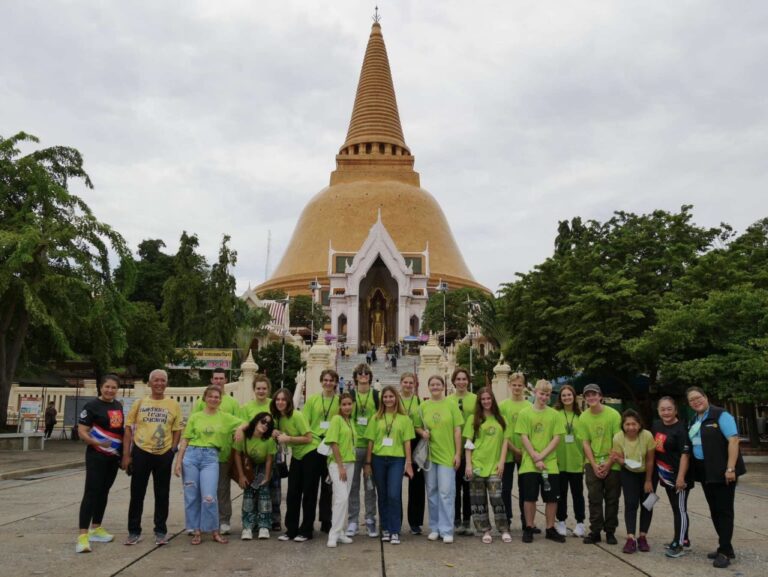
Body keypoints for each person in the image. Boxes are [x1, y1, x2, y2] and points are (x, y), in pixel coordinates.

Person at [122, 369, 184, 546]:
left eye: (162, 380)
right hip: (141, 451)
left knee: (162, 494)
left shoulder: (173, 405)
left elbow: (177, 429)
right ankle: (134, 531)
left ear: (166, 383)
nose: (159, 383)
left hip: (164, 453)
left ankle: (160, 531)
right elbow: (128, 429)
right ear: (149, 384)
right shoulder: (140, 403)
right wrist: (127, 455)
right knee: (137, 493)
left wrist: (172, 449)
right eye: (155, 380)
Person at [686, 386, 746, 569]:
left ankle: (724, 552)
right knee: (714, 510)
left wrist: (730, 468)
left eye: (699, 397)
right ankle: (725, 546)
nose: (696, 401)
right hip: (705, 472)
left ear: (706, 397)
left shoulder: (721, 415)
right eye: (692, 400)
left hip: (723, 471)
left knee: (724, 511)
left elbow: (734, 440)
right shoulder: (694, 419)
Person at [175, 386, 242, 545]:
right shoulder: (195, 417)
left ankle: (214, 531)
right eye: (211, 396)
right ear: (205, 398)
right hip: (191, 456)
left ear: (220, 400)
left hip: (210, 458)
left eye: (217, 397)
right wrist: (178, 462)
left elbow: (246, 423)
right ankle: (196, 531)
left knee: (210, 496)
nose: (214, 399)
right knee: (191, 496)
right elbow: (185, 440)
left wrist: (240, 429)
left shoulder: (225, 417)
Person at [75, 375, 124, 553]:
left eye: (113, 388)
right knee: (91, 492)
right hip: (96, 456)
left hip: (113, 457)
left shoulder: (118, 405)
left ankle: (96, 528)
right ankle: (82, 536)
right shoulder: (91, 406)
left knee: (104, 491)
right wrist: (97, 443)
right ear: (101, 388)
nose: (110, 390)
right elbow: (82, 431)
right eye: (107, 387)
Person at [190, 368, 241, 535]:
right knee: (203, 490)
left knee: (222, 489)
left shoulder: (232, 403)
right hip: (201, 452)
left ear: (225, 380)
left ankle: (224, 520)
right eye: (216, 378)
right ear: (212, 380)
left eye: (221, 378)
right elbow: (194, 425)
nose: (218, 381)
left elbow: (239, 425)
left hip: (223, 452)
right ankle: (202, 522)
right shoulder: (201, 401)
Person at [415, 374, 464, 544]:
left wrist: (458, 454)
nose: (435, 387)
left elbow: (458, 431)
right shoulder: (423, 406)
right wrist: (422, 433)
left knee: (446, 493)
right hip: (430, 456)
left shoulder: (451, 405)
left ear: (443, 387)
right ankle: (435, 527)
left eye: (438, 384)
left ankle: (447, 529)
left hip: (447, 455)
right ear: (428, 387)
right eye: (432, 384)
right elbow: (417, 425)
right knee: (432, 491)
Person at [364, 386, 415, 545]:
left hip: (396, 459)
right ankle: (385, 528)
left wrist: (409, 463)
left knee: (394, 494)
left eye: (391, 396)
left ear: (396, 398)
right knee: (383, 494)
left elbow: (407, 442)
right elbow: (370, 441)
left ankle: (395, 530)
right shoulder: (376, 418)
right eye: (385, 397)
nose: (388, 399)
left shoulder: (404, 418)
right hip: (378, 458)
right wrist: (368, 462)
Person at [516, 379, 565, 544]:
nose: (544, 397)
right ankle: (529, 527)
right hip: (529, 463)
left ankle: (550, 528)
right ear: (535, 393)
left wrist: (542, 456)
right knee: (529, 497)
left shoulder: (555, 415)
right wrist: (535, 457)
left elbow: (556, 438)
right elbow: (524, 437)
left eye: (547, 394)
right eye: (542, 393)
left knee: (552, 499)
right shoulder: (525, 414)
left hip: (549, 463)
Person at [463, 387, 511, 544]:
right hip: (477, 464)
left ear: (493, 400)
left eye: (488, 398)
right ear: (479, 401)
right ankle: (485, 530)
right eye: (483, 399)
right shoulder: (473, 419)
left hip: (494, 465)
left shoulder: (501, 419)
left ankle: (503, 528)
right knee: (478, 499)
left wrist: (502, 462)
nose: (486, 401)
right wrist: (468, 464)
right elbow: (469, 443)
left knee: (497, 497)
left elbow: (505, 442)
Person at [579, 383, 622, 545]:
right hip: (592, 462)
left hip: (613, 462)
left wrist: (609, 463)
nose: (591, 397)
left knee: (612, 499)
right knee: (594, 498)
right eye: (588, 395)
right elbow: (585, 443)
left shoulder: (613, 415)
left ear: (600, 396)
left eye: (594, 394)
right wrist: (594, 464)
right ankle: (595, 530)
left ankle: (610, 531)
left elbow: (618, 442)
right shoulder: (584, 417)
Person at [651, 396, 693, 558]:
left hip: (679, 477)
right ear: (658, 411)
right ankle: (685, 539)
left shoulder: (681, 429)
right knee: (676, 508)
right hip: (665, 476)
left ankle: (680, 543)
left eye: (669, 409)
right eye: (663, 409)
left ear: (675, 410)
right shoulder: (656, 426)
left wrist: (681, 478)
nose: (666, 412)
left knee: (680, 510)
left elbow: (685, 455)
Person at [300, 369, 340, 535]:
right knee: (310, 487)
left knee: (328, 487)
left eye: (331, 380)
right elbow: (305, 423)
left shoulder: (339, 401)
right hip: (314, 446)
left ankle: (326, 520)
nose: (328, 383)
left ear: (336, 382)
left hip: (331, 447)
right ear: (321, 381)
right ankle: (307, 523)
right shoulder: (313, 400)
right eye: (325, 380)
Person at [272, 387, 314, 542]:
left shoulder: (297, 415)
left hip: (310, 454)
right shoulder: (279, 418)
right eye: (277, 399)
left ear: (289, 401)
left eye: (283, 399)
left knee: (308, 494)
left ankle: (306, 531)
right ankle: (291, 530)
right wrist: (276, 433)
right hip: (296, 456)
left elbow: (308, 438)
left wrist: (288, 439)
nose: (280, 402)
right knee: (292, 494)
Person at [240, 374, 281, 531]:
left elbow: (280, 424)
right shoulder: (247, 408)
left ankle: (275, 519)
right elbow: (244, 428)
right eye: (258, 388)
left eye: (264, 388)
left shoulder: (273, 405)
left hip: (271, 450)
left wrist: (276, 431)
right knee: (253, 486)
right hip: (252, 453)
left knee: (273, 486)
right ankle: (254, 520)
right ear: (254, 390)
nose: (261, 391)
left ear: (268, 390)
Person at [611, 409, 655, 554]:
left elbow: (650, 460)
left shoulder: (647, 435)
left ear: (639, 424)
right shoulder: (618, 438)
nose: (631, 427)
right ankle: (631, 538)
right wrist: (620, 460)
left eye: (634, 424)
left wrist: (648, 480)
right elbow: (620, 459)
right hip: (628, 472)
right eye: (627, 424)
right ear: (623, 425)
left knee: (647, 504)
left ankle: (643, 536)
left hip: (648, 473)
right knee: (631, 504)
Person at [346, 364, 379, 538]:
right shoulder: (350, 396)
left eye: (366, 373)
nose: (363, 375)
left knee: (369, 487)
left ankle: (370, 520)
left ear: (370, 377)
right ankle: (352, 521)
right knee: (353, 487)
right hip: (353, 446)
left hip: (371, 447)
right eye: (360, 373)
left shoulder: (376, 396)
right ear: (356, 377)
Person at [234, 411, 277, 541]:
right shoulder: (244, 437)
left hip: (263, 466)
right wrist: (241, 476)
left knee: (264, 491)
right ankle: (248, 526)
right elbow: (237, 455)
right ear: (256, 421)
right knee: (249, 492)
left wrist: (267, 477)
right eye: (262, 421)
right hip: (249, 466)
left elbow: (269, 460)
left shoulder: (269, 440)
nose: (265, 425)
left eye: (268, 424)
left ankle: (264, 525)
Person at [498, 372, 531, 530]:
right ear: (509, 386)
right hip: (508, 451)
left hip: (526, 454)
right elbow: (501, 431)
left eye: (520, 385)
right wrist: (514, 449)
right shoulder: (503, 405)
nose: (517, 388)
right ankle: (507, 519)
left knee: (525, 488)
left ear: (524, 387)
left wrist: (524, 451)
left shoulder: (529, 406)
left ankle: (526, 520)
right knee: (506, 488)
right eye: (514, 385)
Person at [325, 393, 357, 547]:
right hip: (338, 464)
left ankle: (340, 532)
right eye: (344, 404)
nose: (347, 407)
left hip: (350, 463)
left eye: (349, 404)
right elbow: (333, 443)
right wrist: (340, 466)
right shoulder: (336, 419)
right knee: (341, 498)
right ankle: (334, 534)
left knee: (343, 499)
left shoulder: (350, 421)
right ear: (339, 406)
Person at [554, 384, 586, 537]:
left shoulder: (582, 416)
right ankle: (561, 521)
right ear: (560, 398)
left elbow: (587, 441)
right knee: (560, 494)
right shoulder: (555, 414)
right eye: (564, 395)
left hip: (577, 461)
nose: (567, 398)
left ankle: (580, 523)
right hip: (559, 461)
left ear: (574, 397)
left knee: (577, 494)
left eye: (569, 395)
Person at [447, 368, 476, 535]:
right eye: (458, 379)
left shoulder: (475, 399)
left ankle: (467, 521)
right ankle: (456, 520)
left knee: (469, 488)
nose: (461, 382)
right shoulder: (448, 400)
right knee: (455, 488)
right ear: (454, 381)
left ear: (468, 381)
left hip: (471, 448)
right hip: (453, 449)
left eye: (464, 379)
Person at [400, 372, 425, 535]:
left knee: (416, 485)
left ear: (415, 385)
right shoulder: (394, 399)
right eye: (406, 382)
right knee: (394, 486)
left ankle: (415, 522)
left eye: (411, 383)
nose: (408, 385)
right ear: (400, 382)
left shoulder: (419, 401)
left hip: (415, 442)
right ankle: (394, 521)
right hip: (397, 442)